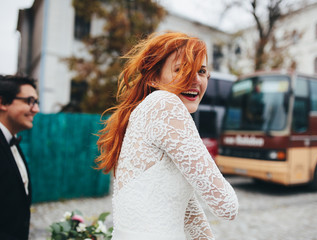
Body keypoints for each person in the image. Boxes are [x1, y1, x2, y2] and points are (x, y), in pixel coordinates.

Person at [96, 32, 239, 240]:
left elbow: (188, 210)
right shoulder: (164, 104)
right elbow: (227, 206)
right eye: (181, 69)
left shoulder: (146, 111)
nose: (195, 79)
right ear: (154, 77)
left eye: (201, 71)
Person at [0, 75, 40, 240]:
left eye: (36, 102)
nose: (36, 109)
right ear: (2, 103)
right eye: (29, 101)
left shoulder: (13, 143)